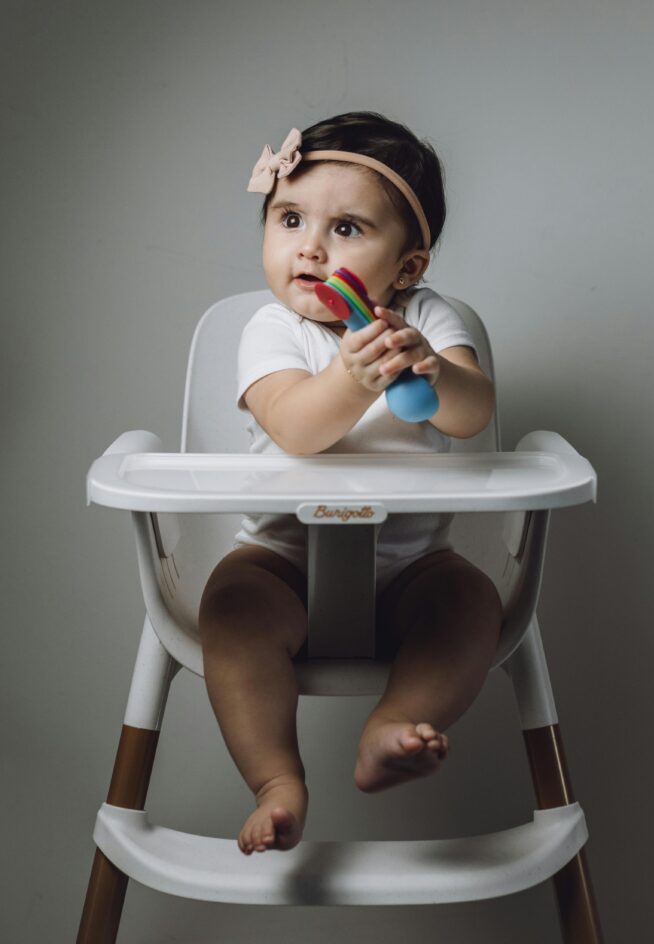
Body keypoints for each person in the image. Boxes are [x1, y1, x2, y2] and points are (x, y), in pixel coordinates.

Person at [198, 112, 503, 856]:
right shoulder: (273, 330)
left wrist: (433, 366)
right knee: (231, 609)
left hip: (410, 568)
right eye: (290, 219)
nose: (308, 246)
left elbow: (471, 414)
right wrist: (347, 376)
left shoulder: (425, 319)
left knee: (469, 603)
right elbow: (297, 427)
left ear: (406, 267)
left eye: (346, 229)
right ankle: (276, 780)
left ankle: (392, 725)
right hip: (283, 561)